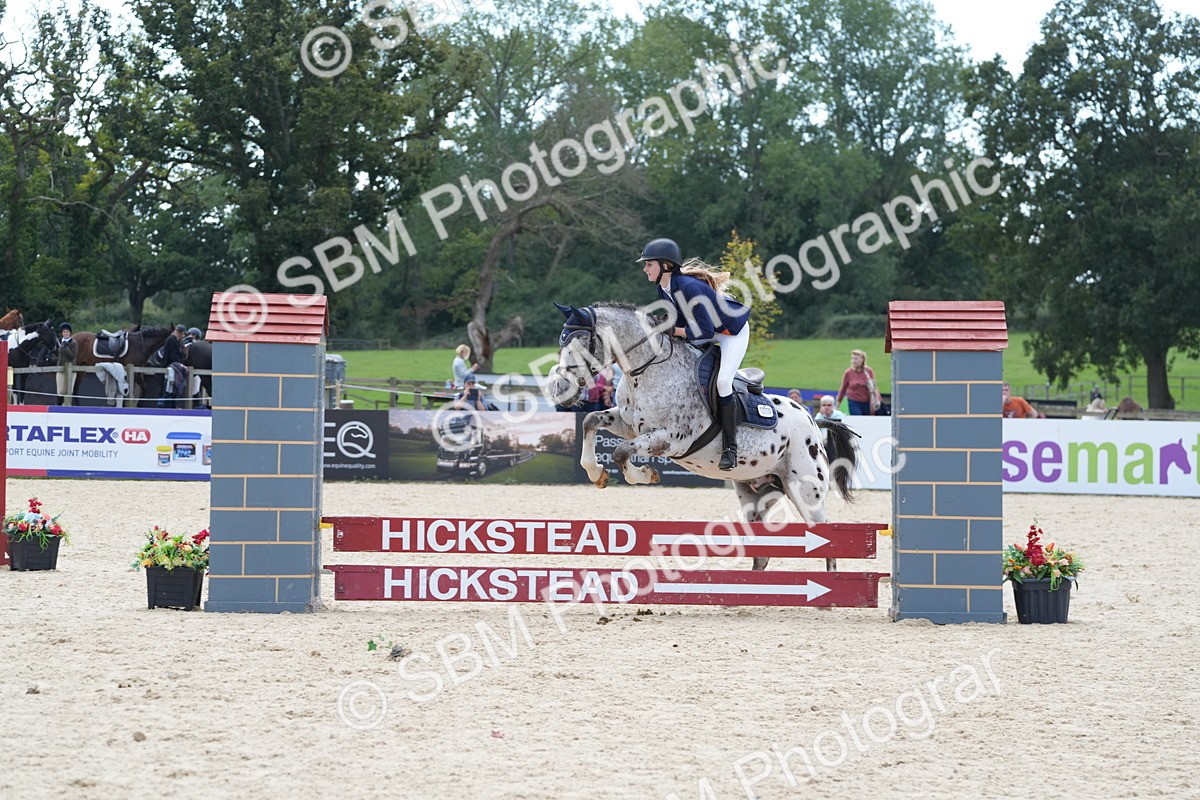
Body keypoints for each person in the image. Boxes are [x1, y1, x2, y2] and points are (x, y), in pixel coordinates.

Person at [637, 237, 750, 471]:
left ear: (665, 265)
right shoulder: (663, 288)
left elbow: (704, 331)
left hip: (730, 332)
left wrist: (674, 330)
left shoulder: (690, 287)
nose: (645, 269)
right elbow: (680, 320)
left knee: (723, 382)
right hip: (705, 329)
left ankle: (730, 448)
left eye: (649, 264)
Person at [835, 349, 882, 416]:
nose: (854, 361)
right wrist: (838, 404)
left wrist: (877, 398)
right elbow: (843, 389)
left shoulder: (868, 371)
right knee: (857, 418)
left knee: (867, 419)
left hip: (868, 402)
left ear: (862, 359)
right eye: (852, 359)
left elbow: (874, 387)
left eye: (856, 359)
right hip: (853, 401)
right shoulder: (848, 373)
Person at [158, 325, 187, 408]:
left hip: (168, 366)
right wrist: (180, 365)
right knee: (169, 390)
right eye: (183, 334)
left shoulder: (171, 339)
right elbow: (174, 355)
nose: (183, 336)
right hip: (170, 367)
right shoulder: (173, 340)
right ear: (179, 333)